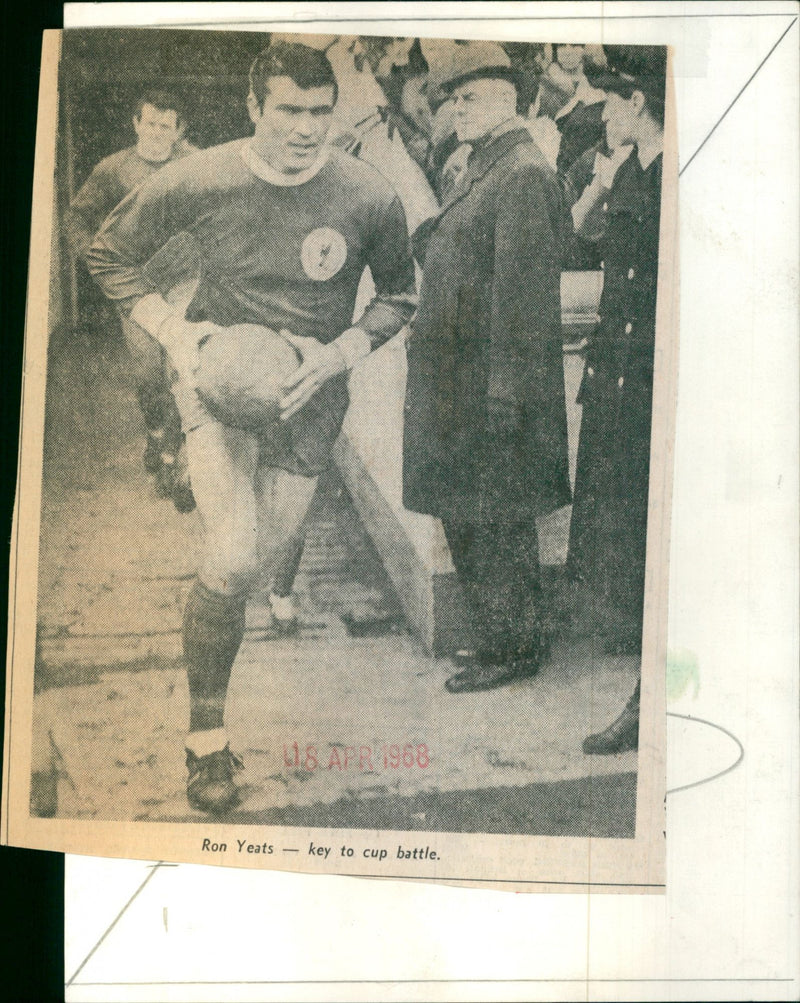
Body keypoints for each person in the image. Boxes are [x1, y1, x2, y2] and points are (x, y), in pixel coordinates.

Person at [88, 41, 417, 812]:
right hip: (221, 385)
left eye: (319, 113)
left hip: (309, 399)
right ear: (253, 109)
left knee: (258, 567)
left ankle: (206, 542)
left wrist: (338, 354)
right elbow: (108, 251)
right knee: (232, 559)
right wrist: (177, 332)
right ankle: (206, 744)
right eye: (288, 111)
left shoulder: (367, 194)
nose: (306, 129)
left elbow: (400, 294)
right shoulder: (202, 176)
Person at [403, 42, 571, 694]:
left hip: (489, 394)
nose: (455, 110)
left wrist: (505, 402)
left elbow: (523, 302)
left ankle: (514, 648)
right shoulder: (482, 166)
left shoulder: (522, 173)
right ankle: (503, 640)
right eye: (450, 99)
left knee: (495, 519)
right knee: (471, 515)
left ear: (507, 99)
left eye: (468, 98)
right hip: (459, 387)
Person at [563, 46, 666, 755]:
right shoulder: (629, 170)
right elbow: (580, 235)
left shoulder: (677, 177)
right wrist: (599, 188)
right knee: (623, 533)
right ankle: (642, 678)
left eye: (610, 102)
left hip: (652, 381)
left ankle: (650, 701)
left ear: (637, 103)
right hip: (618, 378)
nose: (601, 113)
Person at [65, 90, 200, 512]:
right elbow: (76, 217)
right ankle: (158, 431)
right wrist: (94, 259)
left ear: (179, 131)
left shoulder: (197, 163)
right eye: (151, 123)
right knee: (147, 370)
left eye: (167, 125)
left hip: (184, 280)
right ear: (136, 124)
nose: (158, 133)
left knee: (180, 363)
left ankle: (174, 454)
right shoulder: (114, 168)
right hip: (135, 284)